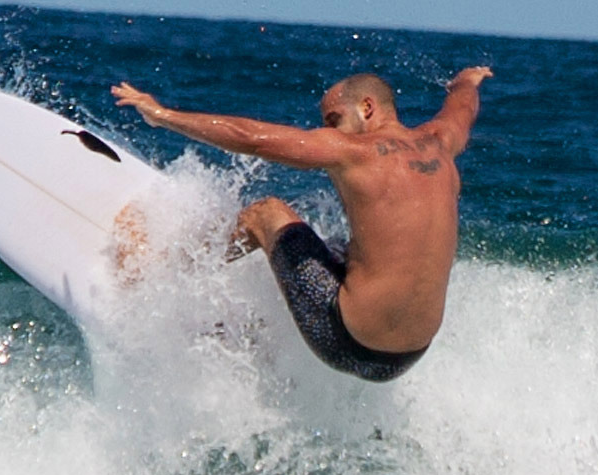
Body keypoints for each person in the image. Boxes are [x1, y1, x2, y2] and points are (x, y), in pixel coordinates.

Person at [111, 67, 492, 382]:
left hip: (343, 339)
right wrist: (467, 82)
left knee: (267, 214)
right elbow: (461, 109)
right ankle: (252, 334)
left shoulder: (355, 152)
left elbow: (250, 139)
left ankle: (163, 273)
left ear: (367, 107)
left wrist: (161, 115)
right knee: (340, 244)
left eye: (333, 120)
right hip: (409, 356)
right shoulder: (441, 143)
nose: (327, 131)